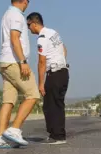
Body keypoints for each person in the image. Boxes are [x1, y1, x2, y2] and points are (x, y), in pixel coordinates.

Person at [0, 0, 40, 149]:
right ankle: (14, 129)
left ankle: (0, 138)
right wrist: (23, 61)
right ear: (24, 1)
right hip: (14, 62)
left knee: (8, 101)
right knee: (33, 94)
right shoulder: (17, 15)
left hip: (4, 62)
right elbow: (15, 39)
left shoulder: (7, 14)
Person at [27, 12, 69, 144]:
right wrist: (59, 61)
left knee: (50, 106)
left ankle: (57, 136)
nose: (28, 28)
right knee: (58, 104)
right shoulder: (53, 33)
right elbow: (64, 50)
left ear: (34, 23)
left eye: (29, 25)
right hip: (63, 72)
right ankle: (58, 134)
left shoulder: (42, 38)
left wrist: (41, 83)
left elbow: (41, 62)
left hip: (54, 73)